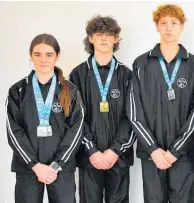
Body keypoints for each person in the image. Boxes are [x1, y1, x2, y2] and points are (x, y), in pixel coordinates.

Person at [128, 4, 194, 203]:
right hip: (151, 154)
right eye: (164, 23)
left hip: (183, 153)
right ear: (157, 27)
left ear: (182, 27)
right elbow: (134, 111)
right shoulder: (141, 63)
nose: (168, 28)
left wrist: (176, 150)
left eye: (173, 23)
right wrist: (153, 149)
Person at [6, 33, 84, 203]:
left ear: (57, 56)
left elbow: (76, 130)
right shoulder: (17, 91)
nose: (43, 60)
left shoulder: (70, 91)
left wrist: (57, 164)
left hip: (61, 169)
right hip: (28, 168)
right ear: (30, 55)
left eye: (49, 55)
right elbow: (14, 132)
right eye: (37, 54)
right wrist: (35, 165)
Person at [70, 15, 134, 203]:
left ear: (116, 39)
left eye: (109, 34)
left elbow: (132, 117)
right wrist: (92, 151)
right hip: (89, 157)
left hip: (119, 157)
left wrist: (115, 150)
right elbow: (75, 117)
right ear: (90, 38)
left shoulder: (127, 75)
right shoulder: (78, 74)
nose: (104, 38)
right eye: (99, 34)